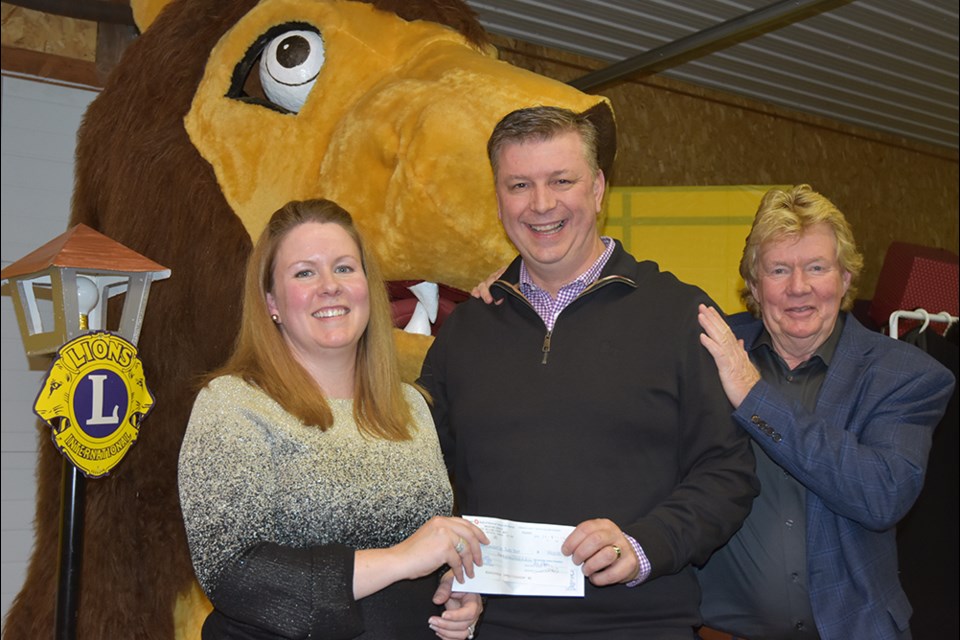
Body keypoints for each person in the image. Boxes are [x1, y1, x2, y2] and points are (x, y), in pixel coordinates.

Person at [418, 106, 758, 639]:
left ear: (598, 189)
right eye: (519, 185)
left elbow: (728, 474)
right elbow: (422, 477)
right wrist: (445, 567)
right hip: (493, 626)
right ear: (498, 197)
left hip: (640, 623)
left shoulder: (678, 315)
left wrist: (645, 545)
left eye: (561, 181)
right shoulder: (466, 332)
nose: (542, 204)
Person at [178, 199, 489, 640]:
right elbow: (233, 571)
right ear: (272, 303)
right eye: (305, 272)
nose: (330, 286)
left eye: (345, 268)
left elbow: (428, 555)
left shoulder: (411, 407)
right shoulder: (233, 404)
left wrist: (454, 590)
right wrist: (401, 559)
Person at [695, 185, 955, 640]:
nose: (799, 288)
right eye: (779, 270)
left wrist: (754, 396)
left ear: (846, 278)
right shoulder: (708, 352)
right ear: (754, 286)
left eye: (817, 267)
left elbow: (880, 496)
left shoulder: (906, 375)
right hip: (716, 632)